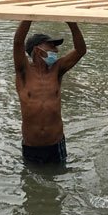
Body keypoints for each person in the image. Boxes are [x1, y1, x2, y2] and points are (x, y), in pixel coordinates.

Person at [12, 21, 87, 164]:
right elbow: (18, 42)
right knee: (31, 183)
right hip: (31, 146)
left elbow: (80, 50)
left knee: (59, 180)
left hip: (55, 144)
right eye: (51, 46)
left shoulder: (57, 70)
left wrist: (72, 22)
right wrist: (29, 16)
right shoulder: (23, 71)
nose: (56, 51)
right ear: (38, 49)